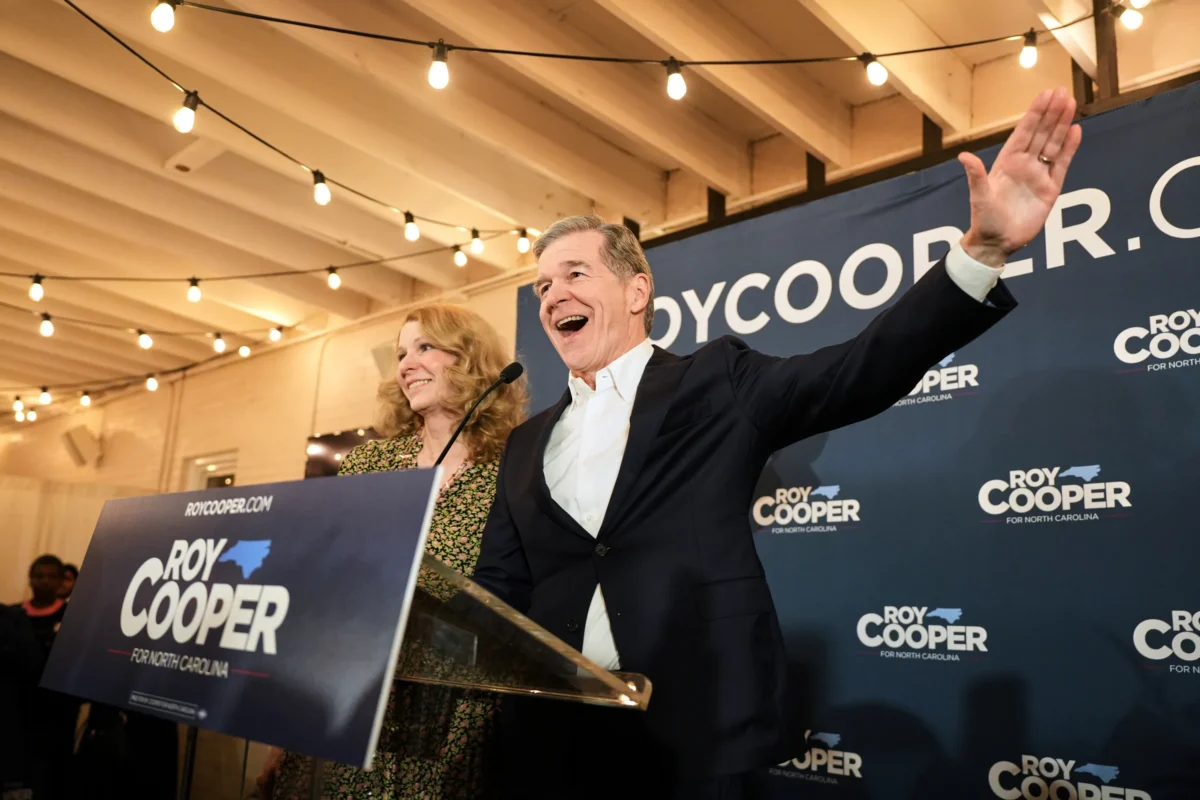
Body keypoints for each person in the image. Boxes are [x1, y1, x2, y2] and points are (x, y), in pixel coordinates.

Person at [472, 88, 1083, 798]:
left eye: (575, 275)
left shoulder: (715, 380)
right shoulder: (522, 445)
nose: (552, 296)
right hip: (553, 741)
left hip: (695, 727)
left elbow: (859, 372)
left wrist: (980, 250)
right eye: (543, 285)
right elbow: (498, 594)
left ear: (637, 291)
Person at [269, 303, 527, 799]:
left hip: (457, 719)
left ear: (469, 357)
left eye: (425, 347)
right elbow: (326, 593)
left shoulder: (512, 468)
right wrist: (286, 722)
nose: (406, 364)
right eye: (401, 353)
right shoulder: (370, 464)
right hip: (355, 707)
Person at [17, 554, 80, 799]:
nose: (44, 581)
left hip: (58, 710)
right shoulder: (14, 616)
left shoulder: (73, 617)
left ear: (60, 581)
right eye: (39, 576)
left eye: (51, 576)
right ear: (30, 579)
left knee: (54, 773)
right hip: (21, 708)